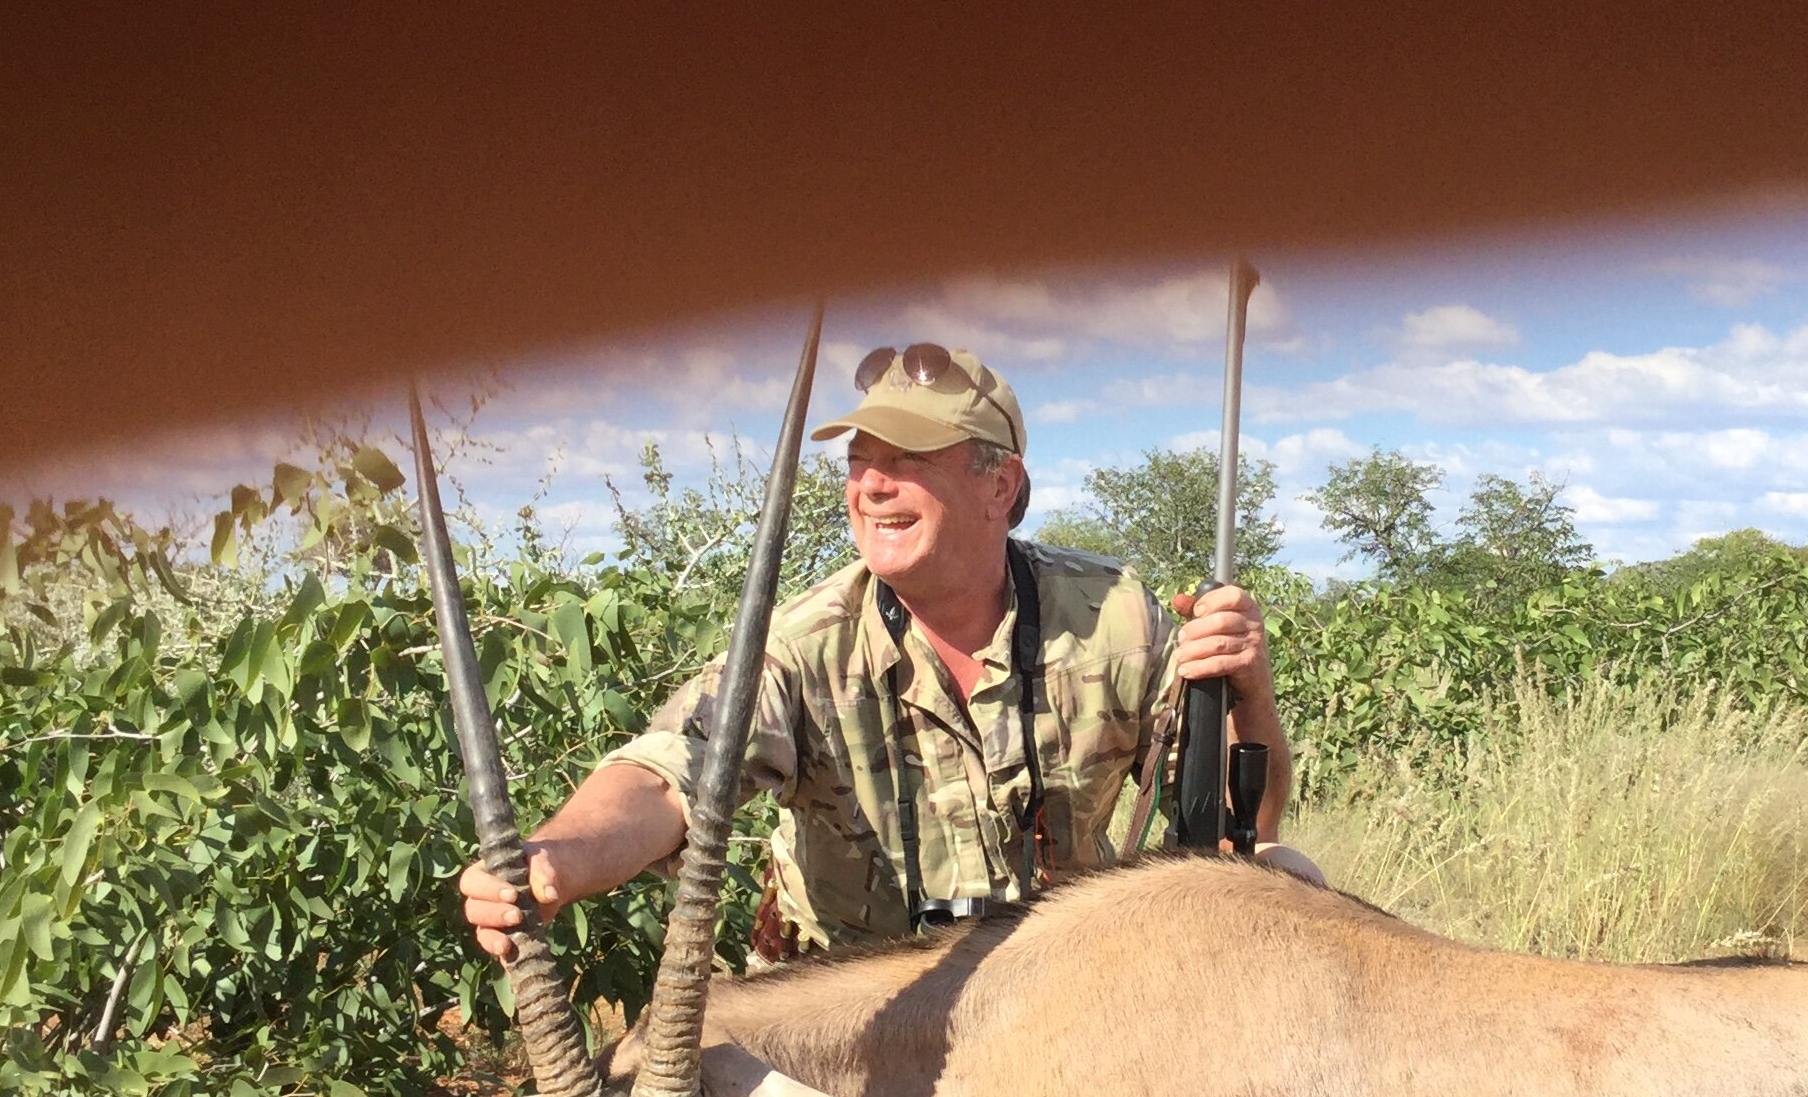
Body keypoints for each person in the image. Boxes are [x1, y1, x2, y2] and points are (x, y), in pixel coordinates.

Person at [460, 341, 1293, 964]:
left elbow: (1240, 830)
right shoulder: (806, 639)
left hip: (1052, 994)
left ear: (999, 486)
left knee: (1296, 881)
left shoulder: (1117, 616)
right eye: (860, 464)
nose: (870, 487)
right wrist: (557, 859)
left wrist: (1246, 686)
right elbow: (669, 771)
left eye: (906, 462)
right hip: (845, 1004)